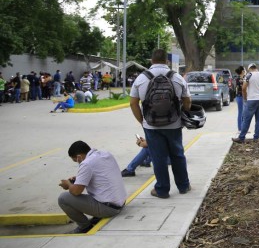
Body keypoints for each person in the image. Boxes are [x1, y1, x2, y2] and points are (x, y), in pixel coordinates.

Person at [130, 48, 192, 198]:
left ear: (151, 61)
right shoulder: (177, 77)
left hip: (151, 126)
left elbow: (133, 103)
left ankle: (162, 190)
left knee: (158, 158)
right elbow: (187, 101)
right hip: (174, 125)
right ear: (167, 61)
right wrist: (181, 116)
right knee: (177, 155)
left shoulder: (141, 79)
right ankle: (183, 186)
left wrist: (143, 121)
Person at [58, 140, 126, 234]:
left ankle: (84, 226)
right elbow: (101, 174)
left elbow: (76, 191)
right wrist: (78, 179)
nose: (77, 162)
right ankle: (97, 216)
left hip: (110, 209)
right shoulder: (105, 154)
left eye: (76, 161)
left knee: (63, 198)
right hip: (120, 202)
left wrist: (68, 184)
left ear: (79, 157)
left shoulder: (86, 164)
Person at [232, 63, 259, 143]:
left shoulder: (249, 75)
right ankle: (256, 138)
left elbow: (243, 88)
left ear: (250, 69)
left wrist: (245, 98)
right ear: (256, 67)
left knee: (246, 120)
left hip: (251, 100)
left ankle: (241, 138)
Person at [233, 66, 246, 132]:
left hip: (245, 97)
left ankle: (244, 128)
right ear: (242, 71)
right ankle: (240, 128)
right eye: (244, 69)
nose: (245, 71)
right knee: (240, 112)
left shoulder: (244, 78)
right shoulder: (238, 79)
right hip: (240, 97)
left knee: (244, 113)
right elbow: (242, 87)